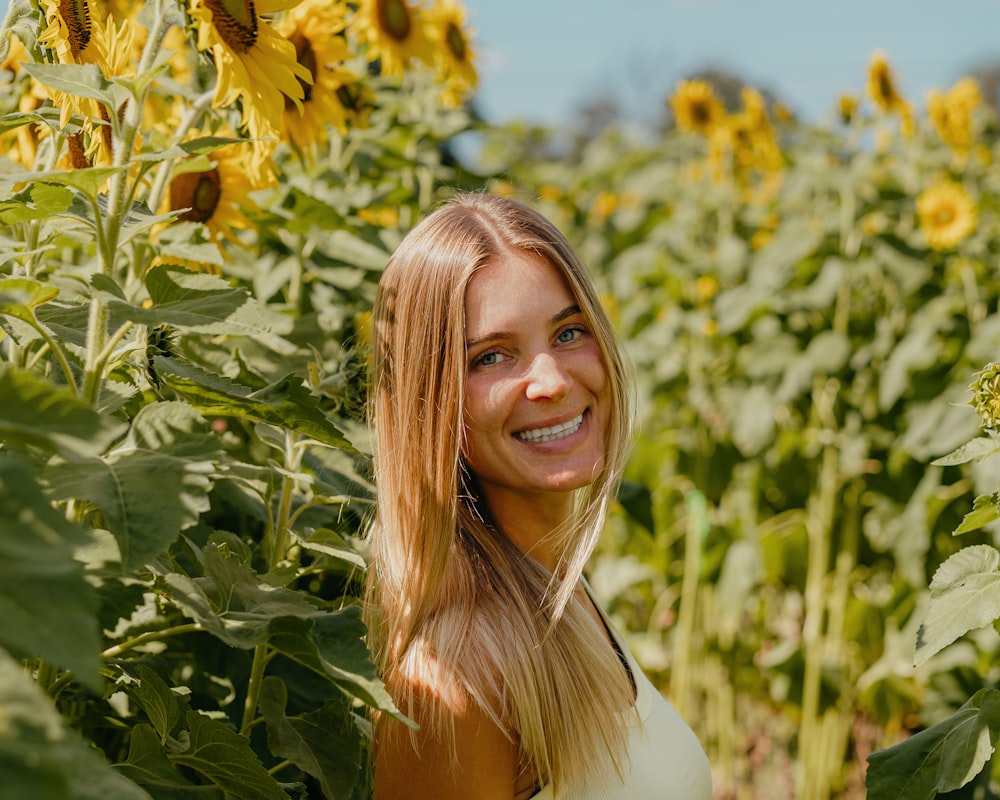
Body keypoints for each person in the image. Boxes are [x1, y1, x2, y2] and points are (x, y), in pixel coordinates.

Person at [364, 191, 712, 799]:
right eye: (491, 357)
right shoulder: (457, 679)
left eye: (569, 332)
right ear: (430, 401)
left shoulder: (556, 584)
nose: (551, 381)